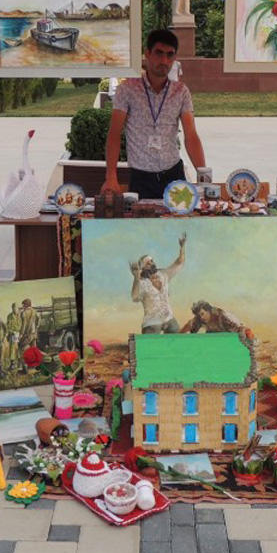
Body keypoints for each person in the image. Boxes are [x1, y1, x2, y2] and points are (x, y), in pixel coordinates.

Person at [102, 28, 206, 199]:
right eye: (159, 53)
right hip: (140, 178)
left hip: (173, 174)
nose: (164, 60)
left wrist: (203, 176)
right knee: (141, 225)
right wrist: (111, 176)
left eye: (169, 55)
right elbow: (114, 134)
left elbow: (191, 136)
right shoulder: (127, 89)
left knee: (179, 225)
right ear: (147, 54)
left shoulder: (181, 92)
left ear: (174, 59)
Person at [130, 232, 187, 332]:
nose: (152, 263)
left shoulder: (164, 274)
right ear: (143, 268)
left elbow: (179, 262)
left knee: (177, 338)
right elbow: (134, 297)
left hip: (169, 318)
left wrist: (182, 247)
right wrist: (136, 278)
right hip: (152, 321)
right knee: (151, 344)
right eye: (148, 263)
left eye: (152, 261)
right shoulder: (142, 282)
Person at [180, 300, 247, 335]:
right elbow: (189, 325)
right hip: (213, 337)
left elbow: (239, 328)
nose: (201, 317)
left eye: (202, 314)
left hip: (226, 335)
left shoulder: (221, 316)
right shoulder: (200, 318)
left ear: (208, 311)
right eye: (199, 315)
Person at [4, 302, 22, 371]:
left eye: (16, 308)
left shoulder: (21, 315)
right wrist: (12, 332)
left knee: (19, 349)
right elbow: (8, 326)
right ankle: (12, 364)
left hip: (20, 334)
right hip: (13, 334)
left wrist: (20, 333)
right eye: (13, 308)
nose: (14, 309)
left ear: (18, 308)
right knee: (12, 349)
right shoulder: (9, 316)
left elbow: (22, 325)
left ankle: (20, 364)